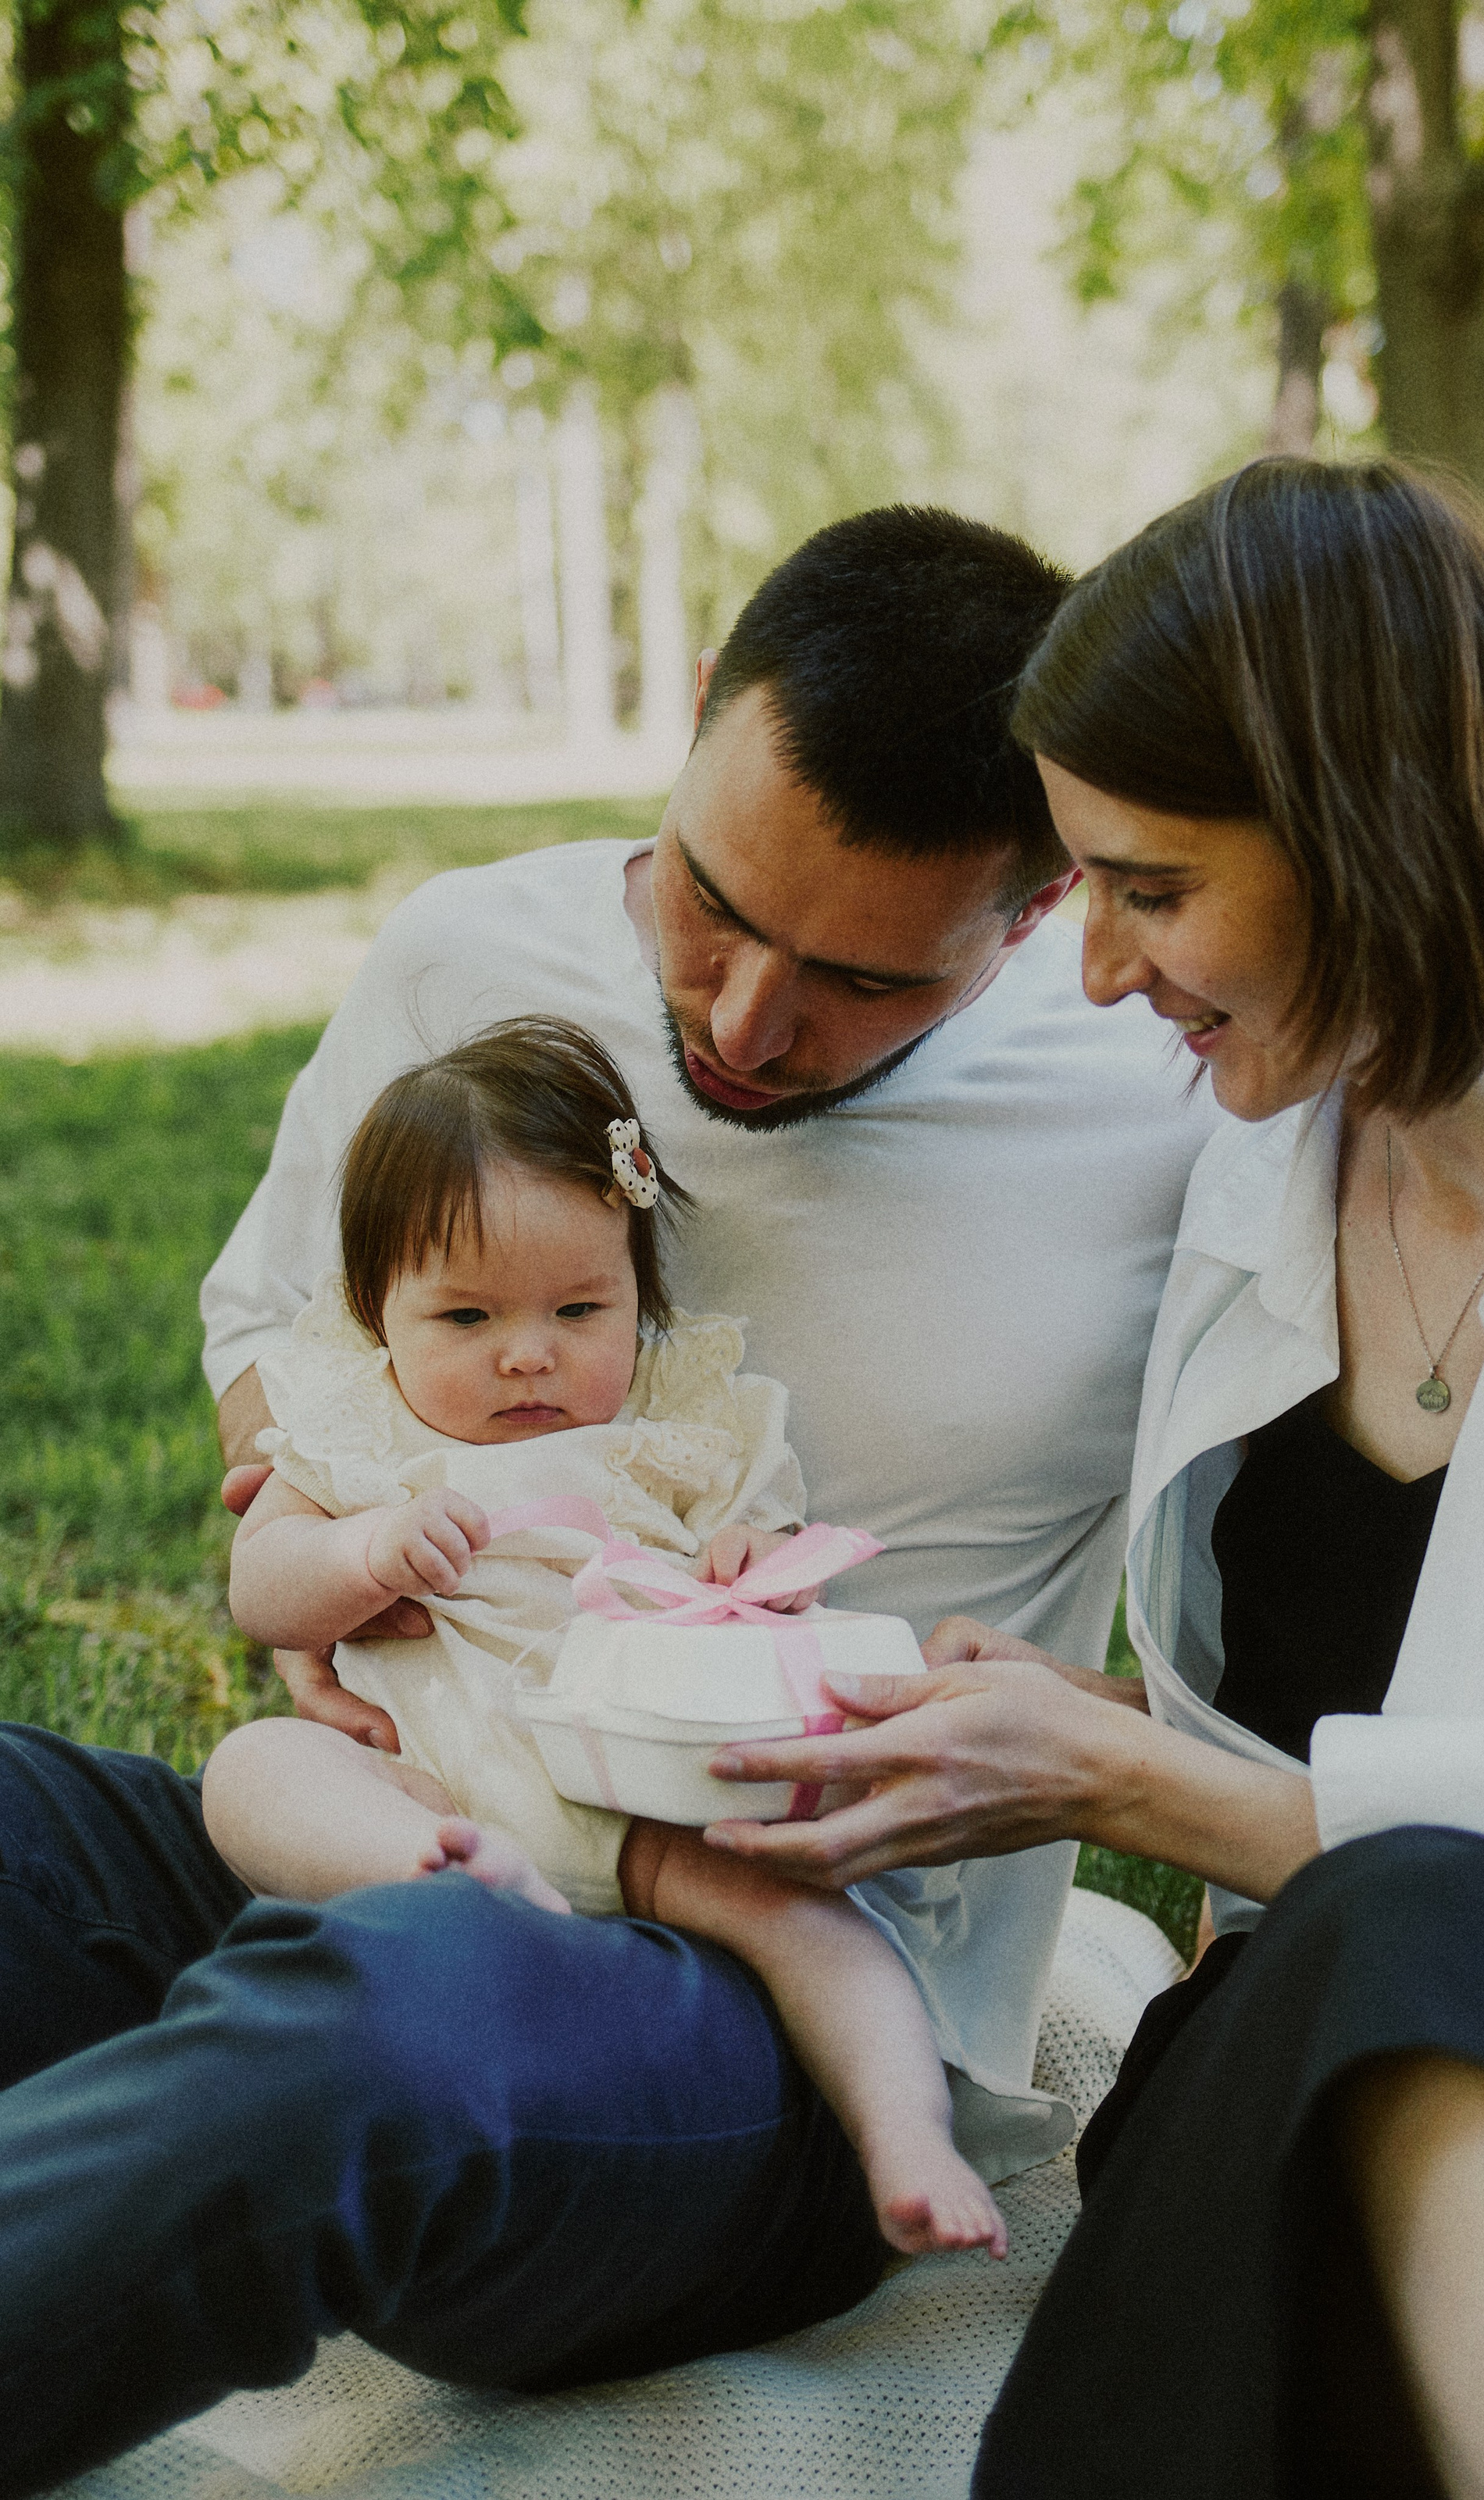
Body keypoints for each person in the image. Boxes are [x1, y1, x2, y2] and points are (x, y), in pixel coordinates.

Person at [699, 462, 1484, 2500]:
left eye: (1149, 887)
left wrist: (1142, 1785)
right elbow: (1351, 1744)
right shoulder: (1252, 1179)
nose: (1101, 972)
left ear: (1366, 831)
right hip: (1334, 2067)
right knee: (1408, 1931)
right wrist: (1069, 1730)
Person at [0, 505, 1214, 2498]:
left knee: (392, 2031)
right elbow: (280, 1322)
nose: (741, 1022)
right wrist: (334, 1555)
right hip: (404, 1829)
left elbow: (1294, 1612)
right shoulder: (465, 952)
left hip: (769, 1995)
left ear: (1034, 918)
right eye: (714, 904)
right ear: (691, 736)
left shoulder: (1161, 1108)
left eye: (853, 982)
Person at [206, 1013, 1006, 2260]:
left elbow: (767, 1544)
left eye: (581, 1306)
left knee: (822, 1936)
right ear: (378, 1313)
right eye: (464, 1320)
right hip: (434, 1772)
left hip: (642, 1799)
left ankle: (905, 2133)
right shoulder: (361, 1434)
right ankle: (448, 1874)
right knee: (254, 1771)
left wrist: (751, 1561)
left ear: (640, 1292)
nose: (530, 1355)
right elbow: (264, 1587)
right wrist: (361, 1555)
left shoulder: (678, 1426)